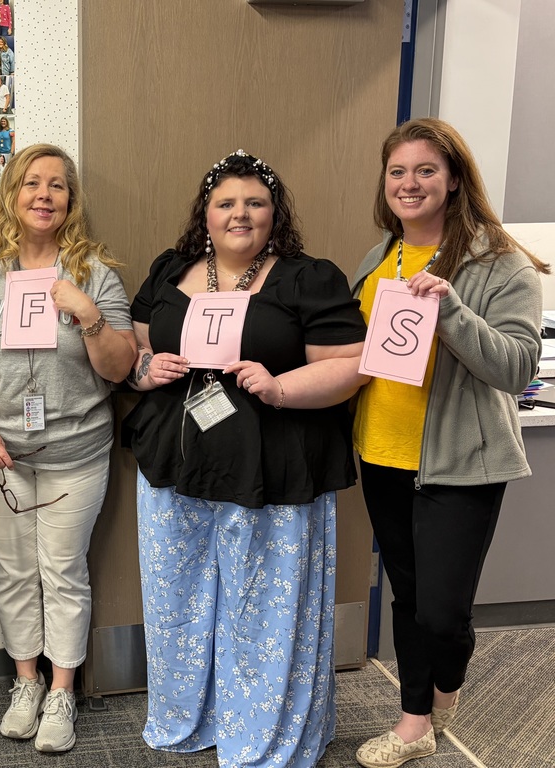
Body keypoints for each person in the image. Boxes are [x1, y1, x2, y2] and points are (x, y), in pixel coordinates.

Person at [124, 149, 368, 766]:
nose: (241, 214)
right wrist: (148, 372)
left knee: (264, 606)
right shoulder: (171, 271)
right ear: (204, 215)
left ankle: (259, 734)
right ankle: (191, 717)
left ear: (274, 213)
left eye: (255, 202)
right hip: (175, 467)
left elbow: (351, 368)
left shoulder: (307, 277)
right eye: (226, 203)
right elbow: (135, 353)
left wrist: (281, 385)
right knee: (178, 599)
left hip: (275, 469)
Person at [351, 119, 547, 767]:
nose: (410, 184)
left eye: (426, 170)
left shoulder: (498, 261)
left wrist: (452, 310)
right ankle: (413, 723)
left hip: (461, 465)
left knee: (442, 611)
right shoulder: (378, 257)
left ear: (455, 178)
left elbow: (517, 368)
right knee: (408, 597)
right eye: (398, 172)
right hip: (381, 453)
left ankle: (446, 687)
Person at [0, 143, 135, 753]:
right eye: (32, 183)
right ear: (12, 193)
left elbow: (118, 368)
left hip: (76, 453)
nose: (44, 195)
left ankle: (62, 690)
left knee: (62, 571)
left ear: (70, 200)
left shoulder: (94, 273)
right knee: (11, 572)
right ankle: (25, 681)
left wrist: (87, 315)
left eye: (57, 186)